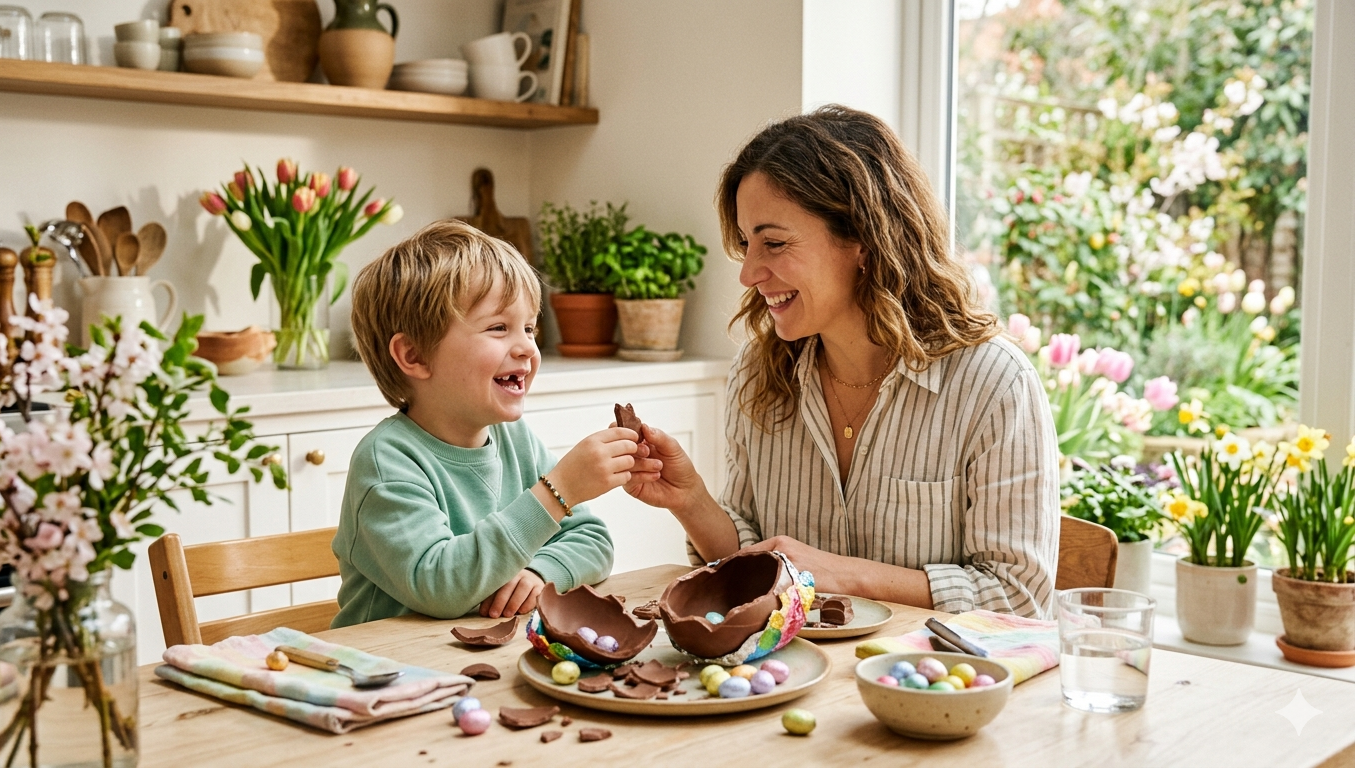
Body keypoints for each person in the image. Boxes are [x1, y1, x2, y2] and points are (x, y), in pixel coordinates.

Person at [626, 105, 1059, 619]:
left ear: (863, 238)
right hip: (796, 680)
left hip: (930, 686)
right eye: (746, 244)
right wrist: (691, 499)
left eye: (775, 242)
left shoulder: (994, 384)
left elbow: (1018, 597)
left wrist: (837, 573)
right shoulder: (758, 373)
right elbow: (751, 564)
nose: (748, 273)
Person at [332, 220, 644, 627]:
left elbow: (593, 540)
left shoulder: (515, 440)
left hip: (473, 666)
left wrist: (540, 572)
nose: (527, 348)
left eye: (530, 328)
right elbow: (440, 585)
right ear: (414, 356)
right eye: (499, 328)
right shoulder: (386, 462)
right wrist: (558, 491)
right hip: (390, 676)